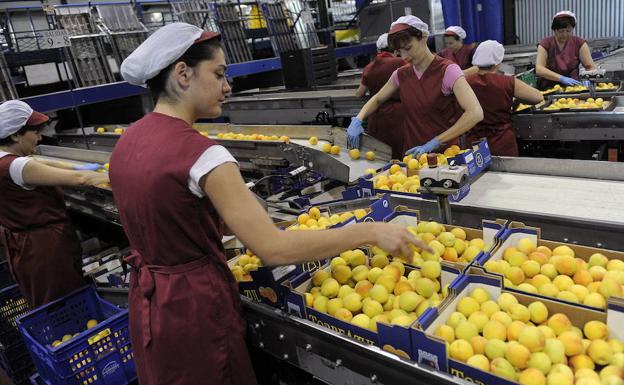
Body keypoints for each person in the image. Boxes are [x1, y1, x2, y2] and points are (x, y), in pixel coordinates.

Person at [110, 22, 429, 385]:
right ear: (182, 73)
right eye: (218, 74)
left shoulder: (127, 141)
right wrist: (370, 231)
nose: (227, 87)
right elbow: (273, 249)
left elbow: (167, 211)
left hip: (151, 305)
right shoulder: (202, 154)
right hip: (197, 307)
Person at [0, 100, 109, 307]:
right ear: (15, 134)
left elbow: (40, 162)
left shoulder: (4, 159)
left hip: (23, 247)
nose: (40, 138)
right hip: (45, 248)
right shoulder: (16, 166)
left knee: (46, 301)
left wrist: (78, 167)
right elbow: (81, 181)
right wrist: (110, 174)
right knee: (65, 302)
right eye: (35, 131)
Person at [347, 16, 483, 157]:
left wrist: (436, 141)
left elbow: (475, 112)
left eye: (408, 48)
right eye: (400, 51)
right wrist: (358, 119)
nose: (404, 56)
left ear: (423, 36)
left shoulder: (447, 70)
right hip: (413, 154)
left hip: (446, 155)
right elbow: (377, 99)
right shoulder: (401, 74)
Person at [465, 41, 544, 156]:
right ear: (498, 62)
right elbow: (538, 97)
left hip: (475, 143)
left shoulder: (466, 82)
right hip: (501, 142)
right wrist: (517, 100)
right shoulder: (507, 82)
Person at [353, 33, 406, 158]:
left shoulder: (369, 67)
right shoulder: (401, 63)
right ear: (395, 49)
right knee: (401, 157)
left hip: (378, 118)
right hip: (399, 117)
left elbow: (359, 93)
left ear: (378, 50)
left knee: (380, 157)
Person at [536, 10, 596, 89]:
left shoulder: (579, 43)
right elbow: (539, 69)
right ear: (554, 30)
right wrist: (561, 78)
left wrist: (589, 80)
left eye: (568, 31)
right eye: (561, 31)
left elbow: (590, 67)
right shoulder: (545, 44)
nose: (565, 34)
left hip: (572, 87)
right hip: (548, 88)